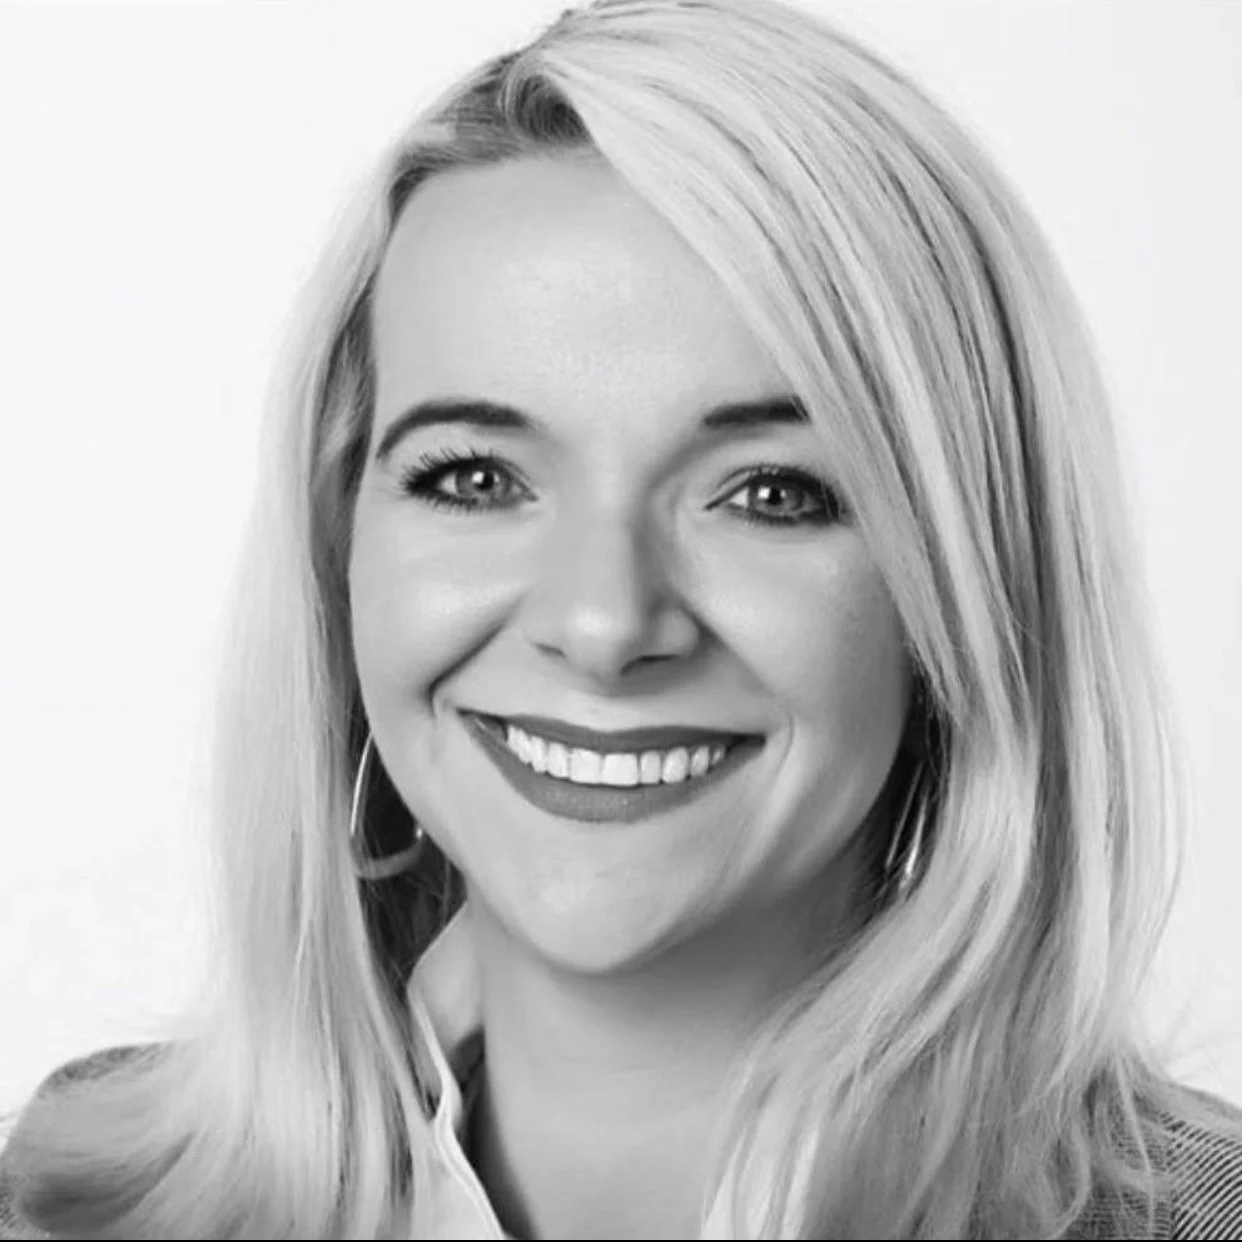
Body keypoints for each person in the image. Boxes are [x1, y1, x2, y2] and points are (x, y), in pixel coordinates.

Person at [3, 0, 1241, 1237]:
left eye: (770, 493)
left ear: (965, 593)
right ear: (342, 549)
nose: (603, 624)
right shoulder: (75, 1195)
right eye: (476, 478)